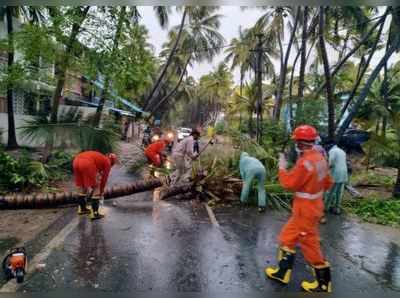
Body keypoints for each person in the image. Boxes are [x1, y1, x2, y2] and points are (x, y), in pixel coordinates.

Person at [265, 125, 334, 292]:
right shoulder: (320, 158)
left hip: (305, 211)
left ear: (300, 143)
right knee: (287, 237)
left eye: (296, 141)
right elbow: (327, 183)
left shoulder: (305, 163)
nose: (295, 144)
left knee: (309, 244)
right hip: (312, 207)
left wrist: (282, 167)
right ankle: (282, 273)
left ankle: (323, 283)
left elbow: (289, 184)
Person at [73, 151, 118, 220]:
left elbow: (97, 172)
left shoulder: (101, 157)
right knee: (97, 187)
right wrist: (101, 191)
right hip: (87, 163)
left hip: (76, 161)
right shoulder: (107, 162)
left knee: (83, 185)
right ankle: (95, 214)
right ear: (112, 162)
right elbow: (104, 179)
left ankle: (82, 209)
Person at [324, 142, 348, 216]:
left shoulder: (332, 151)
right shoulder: (342, 151)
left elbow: (331, 162)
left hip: (336, 173)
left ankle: (326, 208)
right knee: (339, 192)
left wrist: (326, 169)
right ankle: (337, 208)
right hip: (344, 172)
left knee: (330, 191)